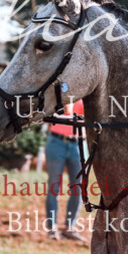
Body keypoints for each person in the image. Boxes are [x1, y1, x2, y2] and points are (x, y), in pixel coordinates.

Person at [44, 99, 87, 243]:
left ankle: (70, 227)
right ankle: (52, 228)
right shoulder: (60, 93)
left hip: (79, 144)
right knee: (54, 186)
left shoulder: (88, 92)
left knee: (78, 188)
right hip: (56, 143)